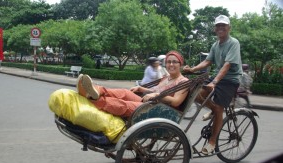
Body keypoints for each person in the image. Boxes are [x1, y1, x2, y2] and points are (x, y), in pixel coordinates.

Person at [183, 15, 242, 155]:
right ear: (215, 28)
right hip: (218, 77)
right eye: (218, 26)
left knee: (218, 110)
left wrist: (214, 82)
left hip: (230, 80)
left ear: (229, 28)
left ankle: (212, 142)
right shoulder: (215, 45)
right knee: (195, 93)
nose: (220, 28)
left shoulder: (234, 43)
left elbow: (227, 65)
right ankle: (213, 108)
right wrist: (192, 69)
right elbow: (207, 62)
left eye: (223, 25)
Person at [76, 51, 189, 118]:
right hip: (148, 102)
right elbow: (154, 91)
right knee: (124, 92)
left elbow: (176, 102)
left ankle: (93, 100)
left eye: (174, 62)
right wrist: (141, 88)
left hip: (158, 110)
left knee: (124, 104)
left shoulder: (183, 82)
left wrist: (156, 95)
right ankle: (95, 90)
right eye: (168, 62)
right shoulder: (166, 78)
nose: (171, 64)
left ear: (181, 64)